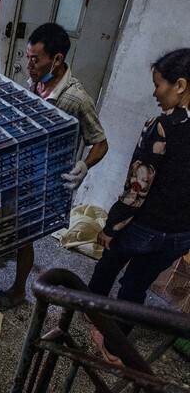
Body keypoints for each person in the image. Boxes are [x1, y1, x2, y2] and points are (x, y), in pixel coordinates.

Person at [87, 48, 190, 364]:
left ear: (180, 85)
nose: (155, 93)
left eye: (159, 84)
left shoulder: (161, 127)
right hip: (182, 233)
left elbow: (137, 187)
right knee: (136, 285)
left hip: (145, 226)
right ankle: (115, 348)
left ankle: (91, 311)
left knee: (110, 258)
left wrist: (111, 226)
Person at [0, 22, 109, 310]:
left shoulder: (76, 98)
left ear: (57, 59)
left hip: (43, 178)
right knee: (5, 220)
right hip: (20, 167)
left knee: (26, 236)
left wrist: (84, 165)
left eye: (35, 59)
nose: (28, 64)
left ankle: (19, 290)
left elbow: (100, 143)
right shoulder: (35, 83)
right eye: (26, 56)